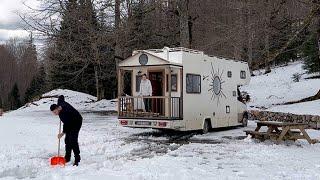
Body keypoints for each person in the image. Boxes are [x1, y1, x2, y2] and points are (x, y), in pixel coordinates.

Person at [50, 96, 83, 166]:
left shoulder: (64, 114)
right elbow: (61, 97)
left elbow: (68, 124)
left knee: (73, 140)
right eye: (53, 112)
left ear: (57, 109)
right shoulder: (60, 103)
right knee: (67, 140)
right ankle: (67, 157)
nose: (54, 114)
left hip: (76, 121)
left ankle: (77, 158)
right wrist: (60, 97)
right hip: (70, 122)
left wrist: (62, 133)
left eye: (55, 112)